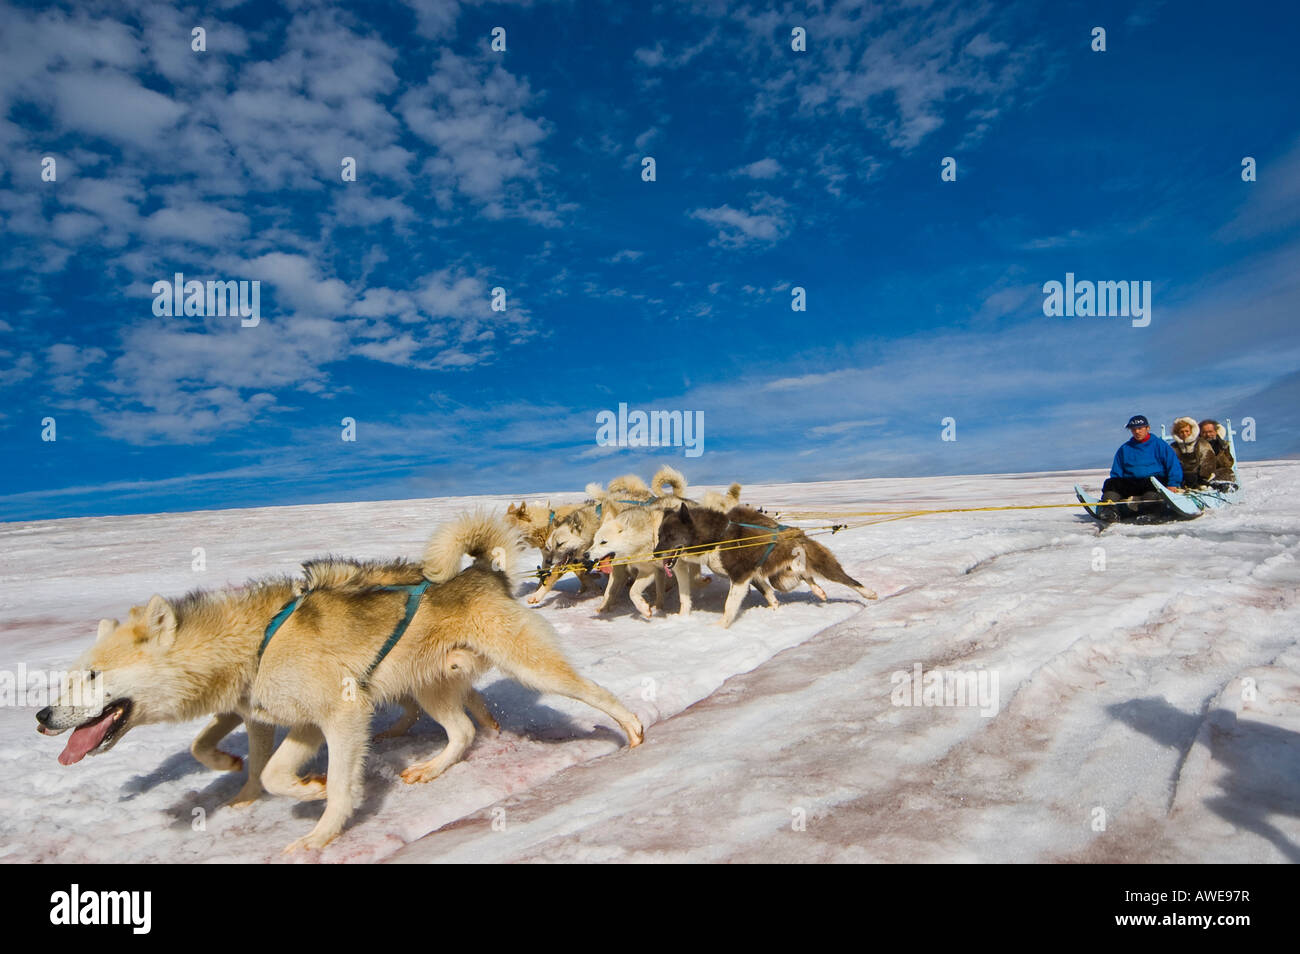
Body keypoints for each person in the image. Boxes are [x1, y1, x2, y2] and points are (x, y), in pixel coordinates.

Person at [1099, 414, 1183, 521]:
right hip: (1132, 482)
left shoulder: (1160, 445)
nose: (1137, 432)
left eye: (1140, 428)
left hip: (1153, 481)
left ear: (1147, 428)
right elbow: (1117, 471)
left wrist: (1173, 484)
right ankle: (1109, 510)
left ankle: (1151, 512)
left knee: (1152, 488)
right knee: (1111, 483)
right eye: (1133, 429)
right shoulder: (1125, 449)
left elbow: (1173, 465)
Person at [1168, 416, 1216, 487]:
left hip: (1200, 477)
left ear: (1191, 431)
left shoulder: (1202, 443)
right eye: (1181, 432)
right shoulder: (1173, 447)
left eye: (1187, 431)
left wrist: (1203, 478)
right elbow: (1171, 464)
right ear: (1177, 433)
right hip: (1181, 478)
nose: (1184, 434)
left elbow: (1208, 461)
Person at [1198, 419, 1237, 483]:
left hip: (1219, 474)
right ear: (1200, 433)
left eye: (1210, 431)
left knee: (1227, 473)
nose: (1208, 434)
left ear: (1216, 432)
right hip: (1201, 475)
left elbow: (1229, 464)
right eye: (1204, 432)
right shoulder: (1196, 446)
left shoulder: (1223, 446)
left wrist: (1220, 454)